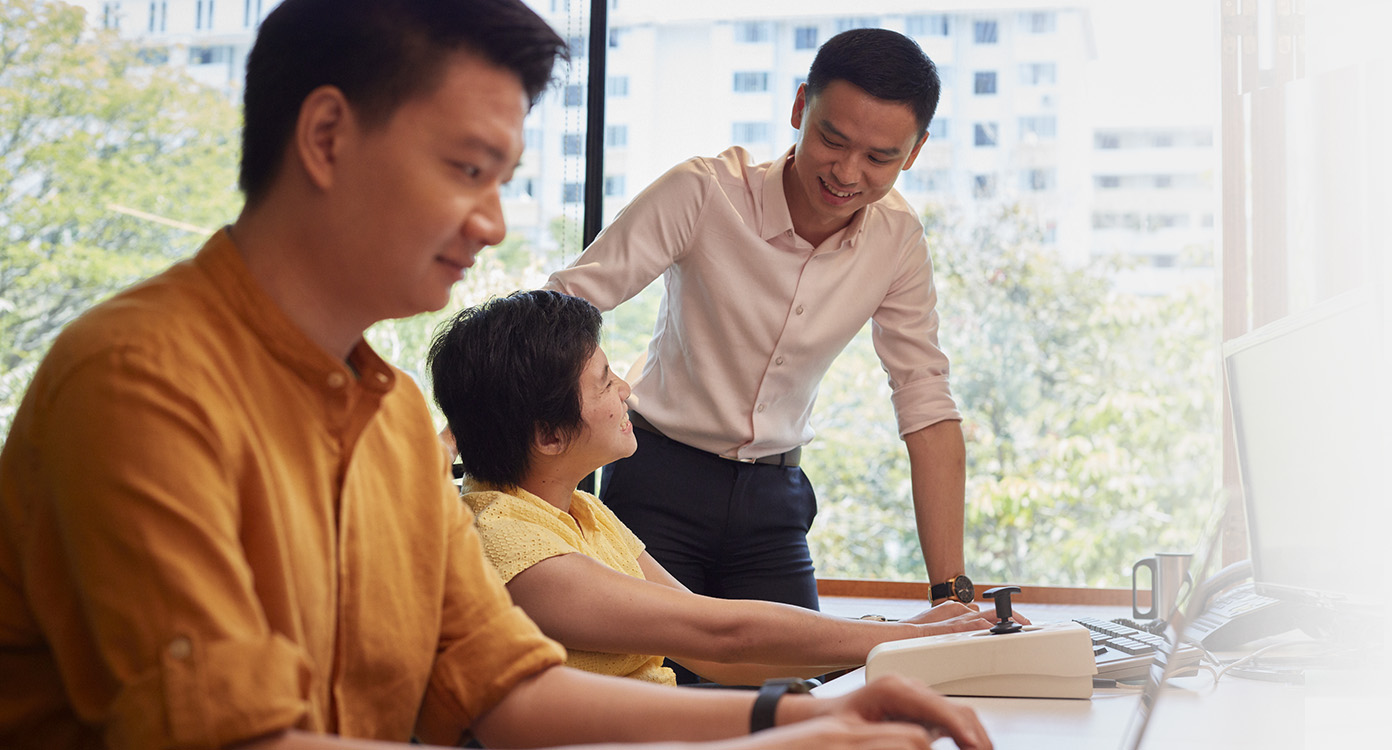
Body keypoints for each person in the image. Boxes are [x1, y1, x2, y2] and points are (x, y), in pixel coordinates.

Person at [0, 2, 991, 749]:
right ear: (328, 137)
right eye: (468, 169)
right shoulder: (141, 384)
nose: (494, 223)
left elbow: (503, 689)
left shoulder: (391, 428)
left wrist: (788, 720)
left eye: (502, 179)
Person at [545, 28, 974, 621]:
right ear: (801, 107)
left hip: (775, 503)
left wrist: (951, 597)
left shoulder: (897, 240)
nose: (848, 173)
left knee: (792, 695)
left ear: (916, 150)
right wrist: (481, 441)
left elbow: (926, 402)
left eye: (880, 158)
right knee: (655, 685)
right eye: (832, 139)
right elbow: (562, 305)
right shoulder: (703, 192)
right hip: (659, 479)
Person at [427, 290, 1017, 686]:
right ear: (550, 436)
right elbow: (720, 632)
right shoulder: (507, 542)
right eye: (606, 384)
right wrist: (910, 639)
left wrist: (899, 646)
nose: (626, 392)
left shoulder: (578, 508)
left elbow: (708, 649)